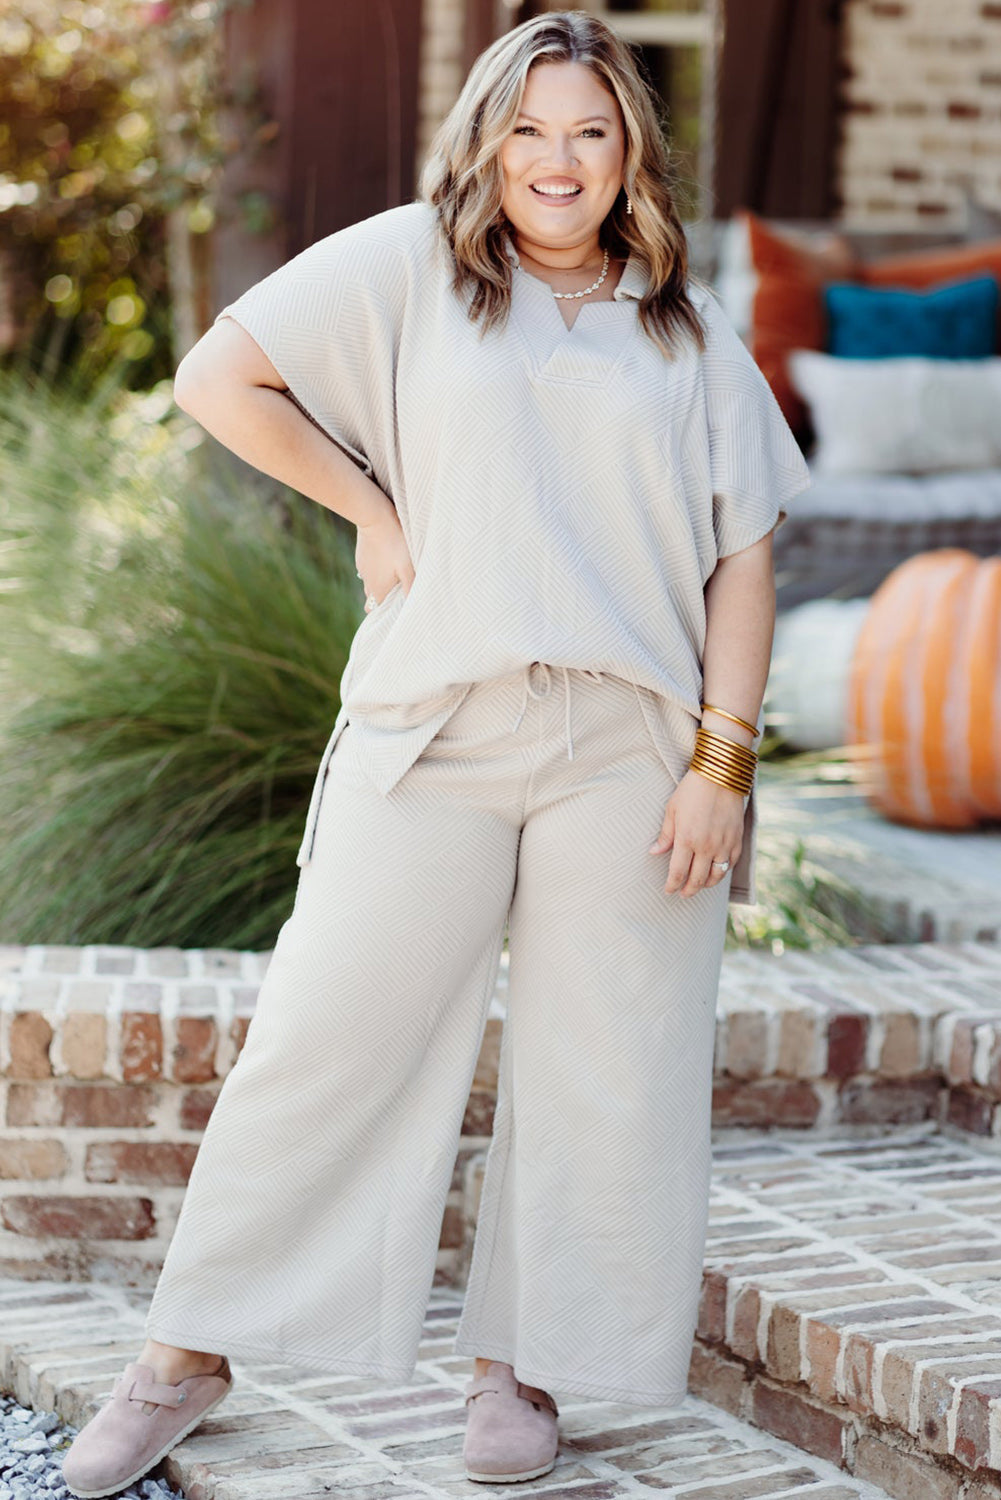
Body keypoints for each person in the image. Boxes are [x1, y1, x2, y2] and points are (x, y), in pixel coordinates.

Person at [62, 10, 811, 1497]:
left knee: (606, 1066)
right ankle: (187, 1354)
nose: (556, 159)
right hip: (435, 724)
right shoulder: (412, 264)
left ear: (628, 156)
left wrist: (720, 767)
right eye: (528, 129)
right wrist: (372, 508)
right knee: (324, 1035)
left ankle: (519, 1368)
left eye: (588, 133)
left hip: (629, 743)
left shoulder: (679, 319)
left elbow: (743, 556)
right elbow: (222, 377)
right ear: (484, 139)